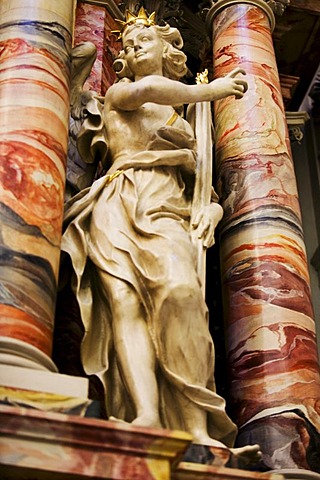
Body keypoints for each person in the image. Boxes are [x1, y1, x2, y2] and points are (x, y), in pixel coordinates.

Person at [62, 8, 260, 461]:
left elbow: (203, 186)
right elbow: (150, 91)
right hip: (120, 201)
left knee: (181, 295)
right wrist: (209, 90)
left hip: (167, 209)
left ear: (168, 49)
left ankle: (196, 426)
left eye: (143, 40)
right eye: (127, 45)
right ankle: (146, 414)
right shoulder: (120, 93)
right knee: (126, 307)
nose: (132, 48)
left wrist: (210, 207)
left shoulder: (185, 120)